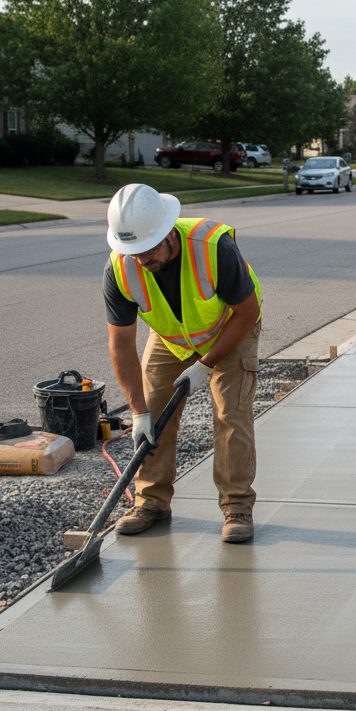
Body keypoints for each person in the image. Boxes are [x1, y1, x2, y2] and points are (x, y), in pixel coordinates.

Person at [103, 183, 262, 542]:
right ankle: (151, 502)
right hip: (172, 337)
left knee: (229, 413)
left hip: (229, 327)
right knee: (155, 411)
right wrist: (138, 412)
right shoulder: (120, 269)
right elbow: (121, 343)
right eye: (135, 251)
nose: (142, 260)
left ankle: (237, 506)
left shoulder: (213, 247)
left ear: (168, 232)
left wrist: (206, 364)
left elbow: (247, 311)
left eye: (149, 249)